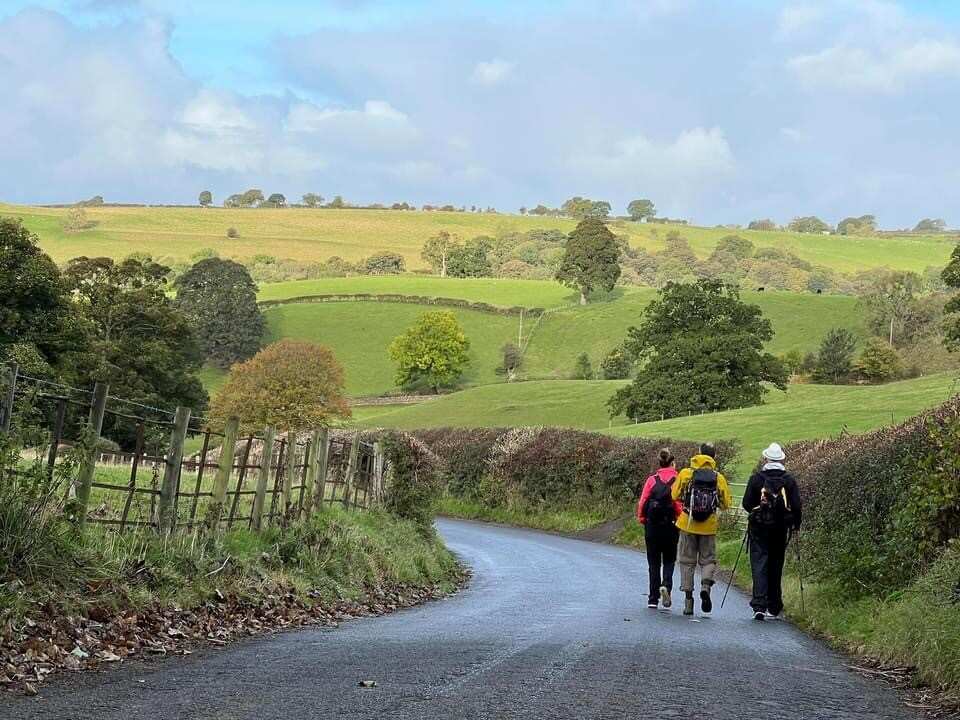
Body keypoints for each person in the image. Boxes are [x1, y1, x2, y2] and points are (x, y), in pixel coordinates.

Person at [742, 442, 802, 621]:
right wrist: (795, 525)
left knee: (759, 563)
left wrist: (757, 513)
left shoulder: (756, 479)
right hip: (780, 529)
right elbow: (797, 506)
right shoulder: (789, 480)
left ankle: (758, 605)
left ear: (766, 458)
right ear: (782, 459)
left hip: (759, 529)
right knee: (776, 565)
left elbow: (746, 503)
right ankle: (774, 607)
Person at [672, 442, 732, 616]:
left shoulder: (686, 473)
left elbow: (674, 495)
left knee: (686, 561)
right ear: (713, 457)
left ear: (698, 454)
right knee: (708, 560)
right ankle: (706, 585)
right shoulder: (718, 477)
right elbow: (726, 504)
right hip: (709, 526)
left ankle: (688, 602)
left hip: (687, 523)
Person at [637, 449, 682, 609]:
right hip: (670, 525)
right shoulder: (677, 479)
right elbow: (678, 504)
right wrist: (679, 519)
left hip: (652, 526)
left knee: (653, 562)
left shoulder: (652, 480)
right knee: (669, 560)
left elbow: (643, 501)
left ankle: (653, 598)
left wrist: (642, 518)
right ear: (672, 463)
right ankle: (666, 586)